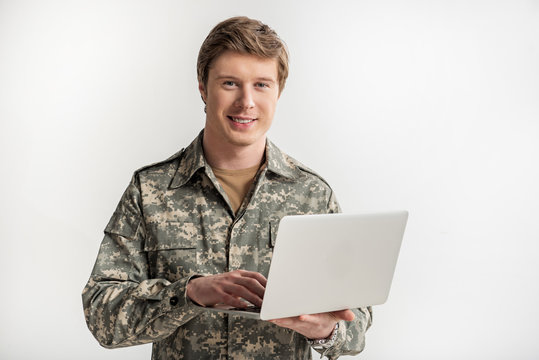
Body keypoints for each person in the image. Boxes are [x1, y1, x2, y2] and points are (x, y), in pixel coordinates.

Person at [82, 16, 372, 360]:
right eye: (230, 83)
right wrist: (188, 294)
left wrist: (325, 329)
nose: (246, 101)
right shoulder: (150, 190)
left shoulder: (312, 194)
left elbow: (357, 322)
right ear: (203, 88)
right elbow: (102, 315)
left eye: (262, 84)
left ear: (279, 91)